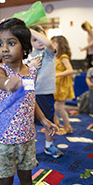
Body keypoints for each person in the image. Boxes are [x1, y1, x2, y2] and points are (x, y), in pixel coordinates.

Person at [0, 18, 58, 185]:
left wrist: (44, 120)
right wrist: (8, 83)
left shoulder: (31, 71)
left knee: (27, 179)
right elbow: (1, 82)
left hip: (27, 138)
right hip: (5, 140)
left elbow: (31, 99)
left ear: (24, 47)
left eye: (11, 43)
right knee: (5, 184)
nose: (4, 48)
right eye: (0, 44)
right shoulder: (1, 71)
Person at [24, 25, 63, 158]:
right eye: (34, 40)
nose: (39, 41)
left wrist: (31, 31)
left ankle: (49, 145)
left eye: (41, 37)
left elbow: (48, 43)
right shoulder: (27, 56)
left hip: (45, 93)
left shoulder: (49, 52)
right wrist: (30, 66)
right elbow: (21, 71)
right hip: (29, 93)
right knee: (30, 122)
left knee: (48, 120)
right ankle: (28, 148)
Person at [51, 35, 75, 134]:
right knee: (53, 105)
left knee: (59, 107)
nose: (51, 45)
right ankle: (56, 123)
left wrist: (57, 74)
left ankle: (68, 127)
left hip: (62, 86)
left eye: (53, 43)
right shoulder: (55, 57)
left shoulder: (63, 57)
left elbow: (70, 70)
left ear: (60, 45)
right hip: (56, 85)